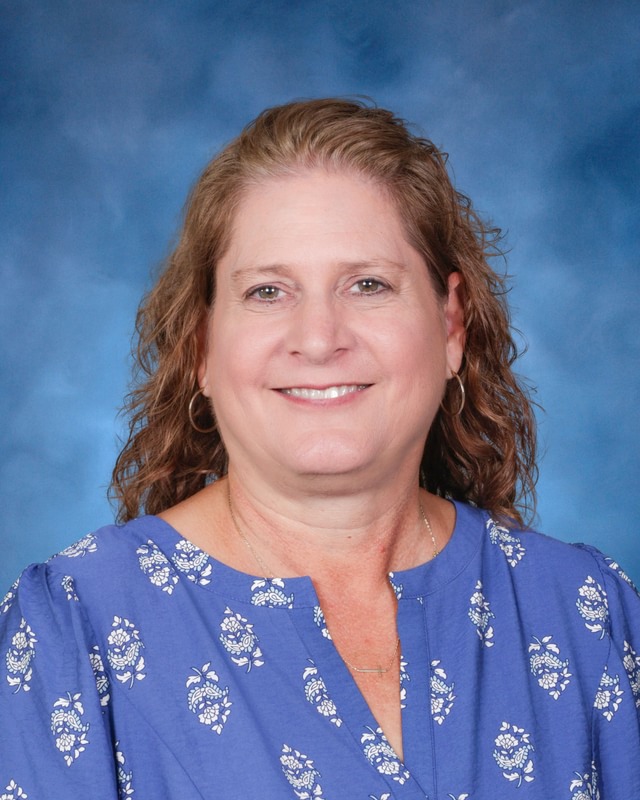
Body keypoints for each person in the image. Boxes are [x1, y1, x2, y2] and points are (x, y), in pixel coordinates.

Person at [1, 98, 638, 799]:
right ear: (202, 346)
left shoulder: (584, 610)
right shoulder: (73, 626)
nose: (318, 337)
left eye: (368, 284)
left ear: (450, 325)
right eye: (268, 291)